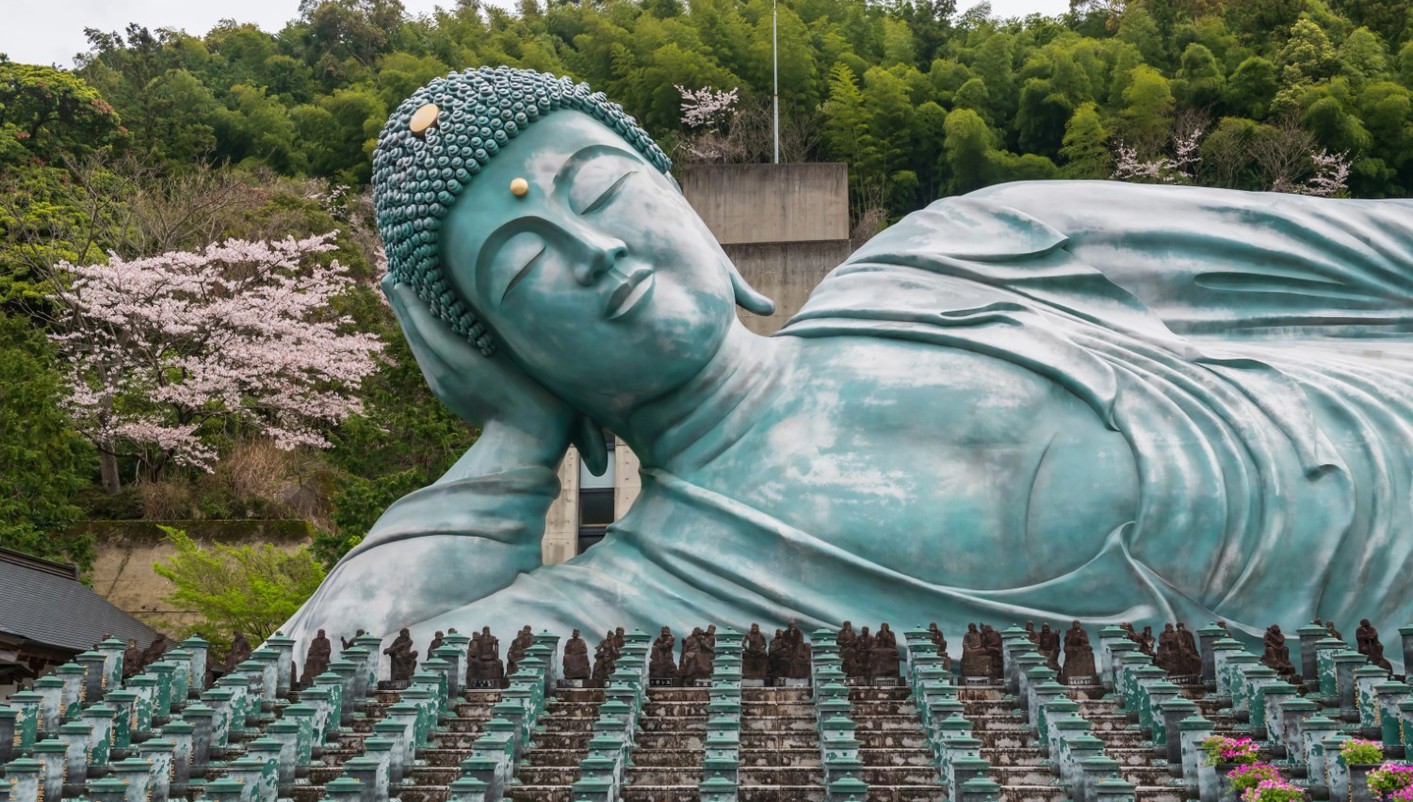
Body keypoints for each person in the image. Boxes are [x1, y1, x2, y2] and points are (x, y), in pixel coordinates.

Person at [282, 66, 1413, 649]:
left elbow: (1372, 251)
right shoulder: (645, 597)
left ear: (688, 207)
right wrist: (509, 448)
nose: (592, 250)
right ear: (516, 356)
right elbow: (320, 704)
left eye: (602, 190)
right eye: (524, 273)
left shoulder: (970, 252)